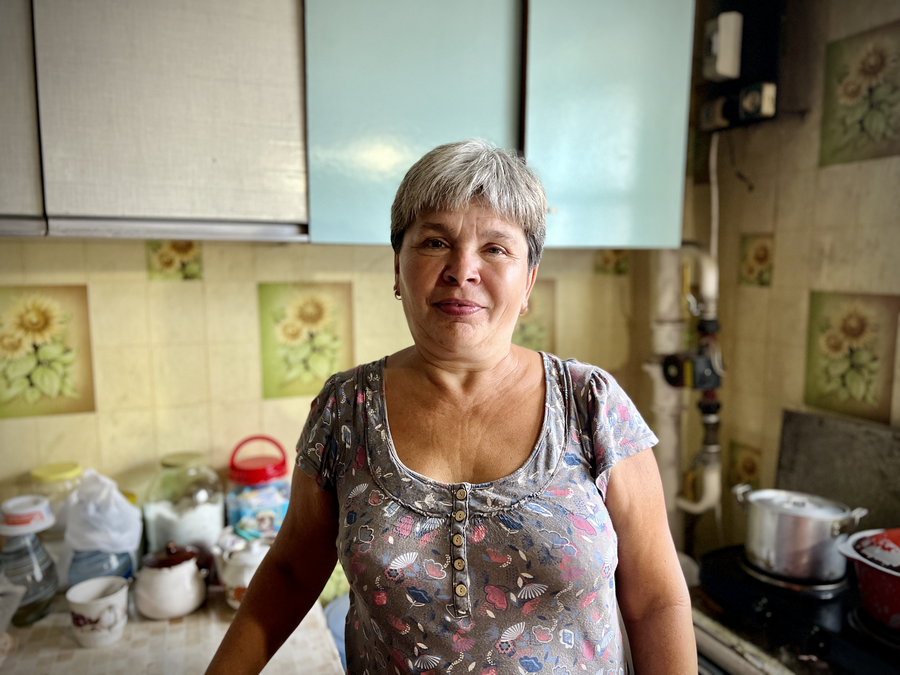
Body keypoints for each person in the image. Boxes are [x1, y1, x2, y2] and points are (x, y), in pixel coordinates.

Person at [206, 140, 696, 674]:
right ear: (397, 269)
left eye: (495, 249)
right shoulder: (345, 410)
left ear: (528, 279)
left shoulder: (590, 405)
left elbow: (656, 603)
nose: (462, 270)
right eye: (435, 241)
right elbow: (291, 574)